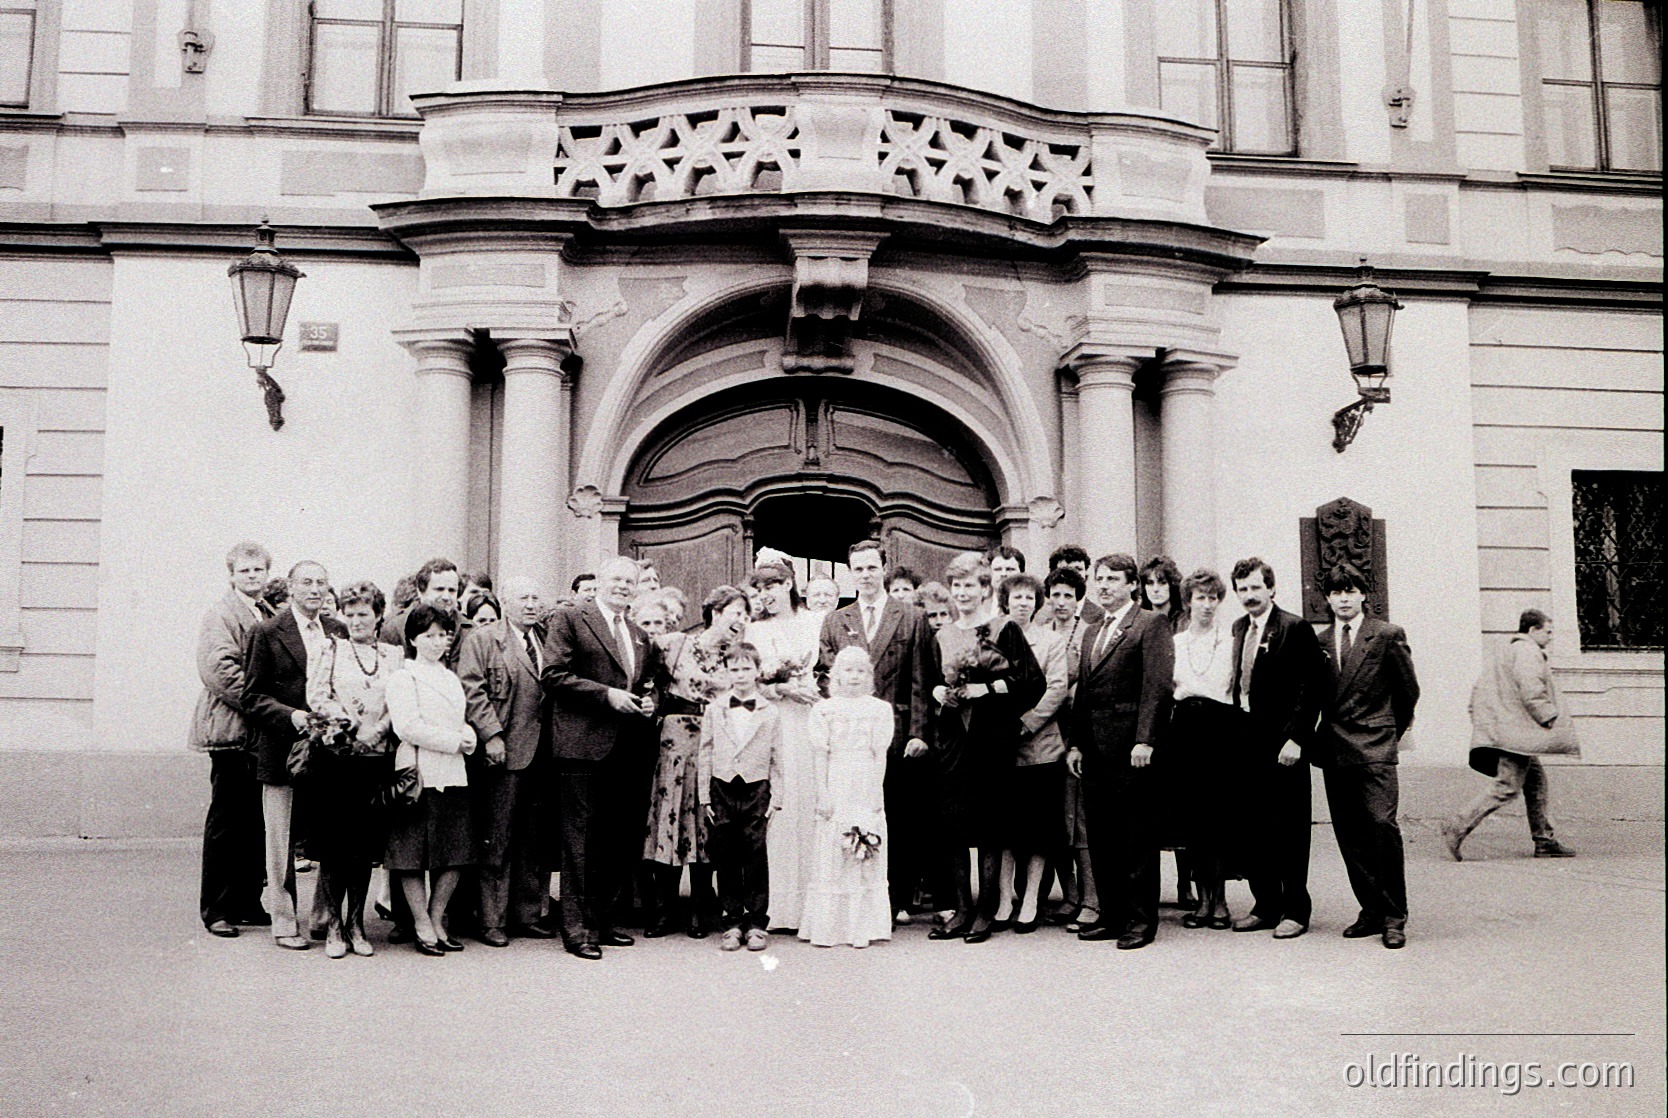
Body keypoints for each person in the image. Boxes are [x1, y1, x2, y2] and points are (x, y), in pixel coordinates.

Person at [542, 555, 662, 960]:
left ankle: (601, 921)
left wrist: (650, 703)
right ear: (601, 580)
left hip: (625, 748)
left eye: (630, 581)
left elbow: (647, 683)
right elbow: (554, 674)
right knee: (579, 840)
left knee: (614, 839)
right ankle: (576, 930)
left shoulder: (638, 633)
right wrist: (606, 695)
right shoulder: (571, 618)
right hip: (581, 746)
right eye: (616, 579)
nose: (623, 586)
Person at [928, 551, 1044, 943]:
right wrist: (939, 691)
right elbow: (930, 682)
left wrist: (987, 689)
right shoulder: (941, 635)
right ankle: (961, 909)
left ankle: (986, 910)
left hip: (991, 739)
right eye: (956, 586)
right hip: (953, 741)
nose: (962, 593)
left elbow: (1031, 683)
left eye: (970, 586)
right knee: (955, 826)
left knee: (991, 826)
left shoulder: (1003, 629)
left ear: (984, 589)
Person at [818, 539, 935, 928]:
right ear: (850, 573)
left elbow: (921, 678)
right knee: (851, 812)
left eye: (871, 568)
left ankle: (894, 898)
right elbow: (825, 676)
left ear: (883, 569)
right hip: (849, 738)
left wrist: (919, 731)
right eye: (858, 569)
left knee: (894, 815)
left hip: (896, 732)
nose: (865, 576)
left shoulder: (910, 616)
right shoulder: (837, 620)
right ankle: (853, 899)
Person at [1065, 553, 1175, 950]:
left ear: (1132, 584)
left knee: (1136, 838)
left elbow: (1157, 687)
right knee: (1102, 838)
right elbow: (1083, 693)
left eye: (1112, 579)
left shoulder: (1149, 624)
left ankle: (1141, 921)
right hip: (1094, 751)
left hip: (1132, 750)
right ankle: (1111, 915)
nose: (1104, 585)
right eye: (1099, 579)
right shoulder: (1093, 630)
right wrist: (1076, 743)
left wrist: (1145, 739)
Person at [1313, 563, 1420, 950]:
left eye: (1350, 590)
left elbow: (1408, 691)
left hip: (1375, 745)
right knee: (1349, 833)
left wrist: (1387, 730)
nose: (1343, 598)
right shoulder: (1322, 641)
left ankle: (1394, 915)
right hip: (1335, 747)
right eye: (1336, 592)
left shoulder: (1387, 635)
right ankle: (1371, 909)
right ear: (1327, 598)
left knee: (1380, 825)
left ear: (1363, 594)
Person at [643, 585, 749, 938]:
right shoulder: (676, 644)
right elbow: (649, 682)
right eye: (736, 612)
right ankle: (663, 908)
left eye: (746, 615)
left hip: (713, 741)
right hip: (675, 741)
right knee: (670, 820)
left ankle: (702, 908)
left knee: (705, 822)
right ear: (715, 612)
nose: (742, 620)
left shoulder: (736, 658)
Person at [304, 579, 402, 958]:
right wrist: (348, 723)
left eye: (365, 613)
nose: (357, 620)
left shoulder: (393, 655)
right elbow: (316, 695)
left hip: (375, 760)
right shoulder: (331, 648)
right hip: (338, 759)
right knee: (335, 847)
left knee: (363, 848)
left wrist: (377, 728)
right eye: (351, 613)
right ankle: (333, 926)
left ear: (378, 616)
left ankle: (356, 923)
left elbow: (400, 698)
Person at [456, 577, 556, 946]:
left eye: (536, 597)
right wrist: (492, 735)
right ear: (505, 603)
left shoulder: (547, 638)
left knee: (535, 838)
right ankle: (492, 919)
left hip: (544, 753)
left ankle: (528, 913)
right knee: (496, 837)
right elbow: (471, 689)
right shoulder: (483, 639)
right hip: (505, 750)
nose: (531, 604)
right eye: (523, 597)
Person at [1228, 558, 1324, 940]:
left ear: (1271, 588)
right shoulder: (1239, 628)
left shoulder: (1294, 627)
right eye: (1242, 589)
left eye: (1255, 587)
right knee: (1254, 826)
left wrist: (1296, 738)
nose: (1249, 596)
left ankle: (1296, 909)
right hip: (1247, 742)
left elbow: (1310, 686)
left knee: (1289, 828)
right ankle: (1265, 904)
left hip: (1284, 743)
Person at [241, 560, 334, 950]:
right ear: (292, 588)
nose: (314, 589)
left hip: (329, 751)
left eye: (321, 583)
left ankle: (323, 915)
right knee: (280, 840)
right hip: (281, 748)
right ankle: (283, 918)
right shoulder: (267, 632)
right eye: (306, 582)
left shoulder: (337, 631)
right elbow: (252, 697)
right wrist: (292, 716)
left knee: (329, 834)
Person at [1443, 610, 1579, 861]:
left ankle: (1544, 841)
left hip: (1508, 731)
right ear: (1532, 630)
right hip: (1516, 735)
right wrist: (1547, 715)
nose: (1550, 637)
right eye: (1547, 631)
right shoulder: (1527, 651)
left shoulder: (1505, 652)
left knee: (1536, 782)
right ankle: (1457, 826)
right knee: (1506, 787)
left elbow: (1479, 691)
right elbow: (1531, 689)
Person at [191, 541, 275, 938]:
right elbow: (220, 671)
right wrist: (263, 705)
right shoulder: (222, 614)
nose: (253, 576)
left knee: (254, 821)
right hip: (232, 731)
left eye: (258, 570)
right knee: (226, 821)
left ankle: (246, 901)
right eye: (245, 571)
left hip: (259, 735)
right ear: (232, 575)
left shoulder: (268, 612)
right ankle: (217, 909)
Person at [384, 604, 478, 955]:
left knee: (453, 853)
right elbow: (407, 727)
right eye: (429, 636)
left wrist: (467, 734)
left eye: (443, 635)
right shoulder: (403, 677)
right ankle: (421, 922)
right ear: (412, 638)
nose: (437, 642)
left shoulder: (450, 676)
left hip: (452, 772)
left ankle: (437, 918)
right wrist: (455, 740)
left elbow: (459, 716)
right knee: (412, 853)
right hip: (419, 771)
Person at [800, 647, 896, 949]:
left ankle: (862, 927)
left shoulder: (879, 709)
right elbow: (820, 756)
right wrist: (823, 794)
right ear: (836, 675)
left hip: (865, 781)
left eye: (860, 671)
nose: (853, 677)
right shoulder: (824, 710)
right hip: (836, 779)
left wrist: (876, 792)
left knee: (865, 849)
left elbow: (879, 754)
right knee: (835, 847)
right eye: (847, 671)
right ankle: (830, 927)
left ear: (868, 675)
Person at [747, 562, 823, 933]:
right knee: (775, 807)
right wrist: (780, 688)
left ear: (790, 584)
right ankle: (775, 905)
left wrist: (815, 690)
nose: (766, 596)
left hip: (806, 722)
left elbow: (827, 668)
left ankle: (810, 902)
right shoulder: (754, 630)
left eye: (773, 587)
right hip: (771, 722)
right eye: (760, 590)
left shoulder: (814, 623)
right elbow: (746, 682)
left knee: (805, 803)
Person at [996, 573, 1069, 933]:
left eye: (1028, 597)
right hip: (1002, 747)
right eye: (1016, 597)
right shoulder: (995, 637)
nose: (1022, 603)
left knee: (1038, 828)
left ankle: (1030, 900)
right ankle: (1004, 897)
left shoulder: (1051, 640)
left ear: (1037, 603)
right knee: (1008, 828)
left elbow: (1057, 688)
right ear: (1005, 601)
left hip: (1039, 745)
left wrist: (1026, 723)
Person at [699, 642, 784, 951]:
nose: (741, 674)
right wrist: (704, 796)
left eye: (747, 668)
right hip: (722, 786)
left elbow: (777, 755)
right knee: (726, 852)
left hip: (757, 786)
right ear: (726, 672)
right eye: (734, 669)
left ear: (757, 671)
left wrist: (778, 795)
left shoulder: (769, 711)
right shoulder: (715, 707)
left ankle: (758, 922)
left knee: (755, 853)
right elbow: (705, 750)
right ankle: (733, 920)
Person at [1169, 570, 1240, 932]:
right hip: (1185, 730)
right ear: (1188, 601)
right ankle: (1202, 901)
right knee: (1193, 817)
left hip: (1219, 729)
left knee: (1219, 816)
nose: (1207, 605)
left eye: (1213, 598)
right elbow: (1169, 688)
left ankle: (1222, 901)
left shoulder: (1230, 641)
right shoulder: (1176, 642)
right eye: (1200, 597)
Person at [1036, 566, 1098, 930]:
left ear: (1077, 600)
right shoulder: (1041, 634)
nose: (1060, 602)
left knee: (1080, 819)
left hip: (1075, 731)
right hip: (1045, 732)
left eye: (1067, 596)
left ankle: (1092, 897)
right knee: (1056, 818)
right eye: (1055, 595)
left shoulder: (1087, 633)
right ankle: (1070, 893)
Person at [1049, 545, 1104, 626]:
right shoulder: (1040, 615)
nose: (1073, 575)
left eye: (1078, 569)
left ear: (1086, 574)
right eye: (1065, 569)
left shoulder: (1100, 616)